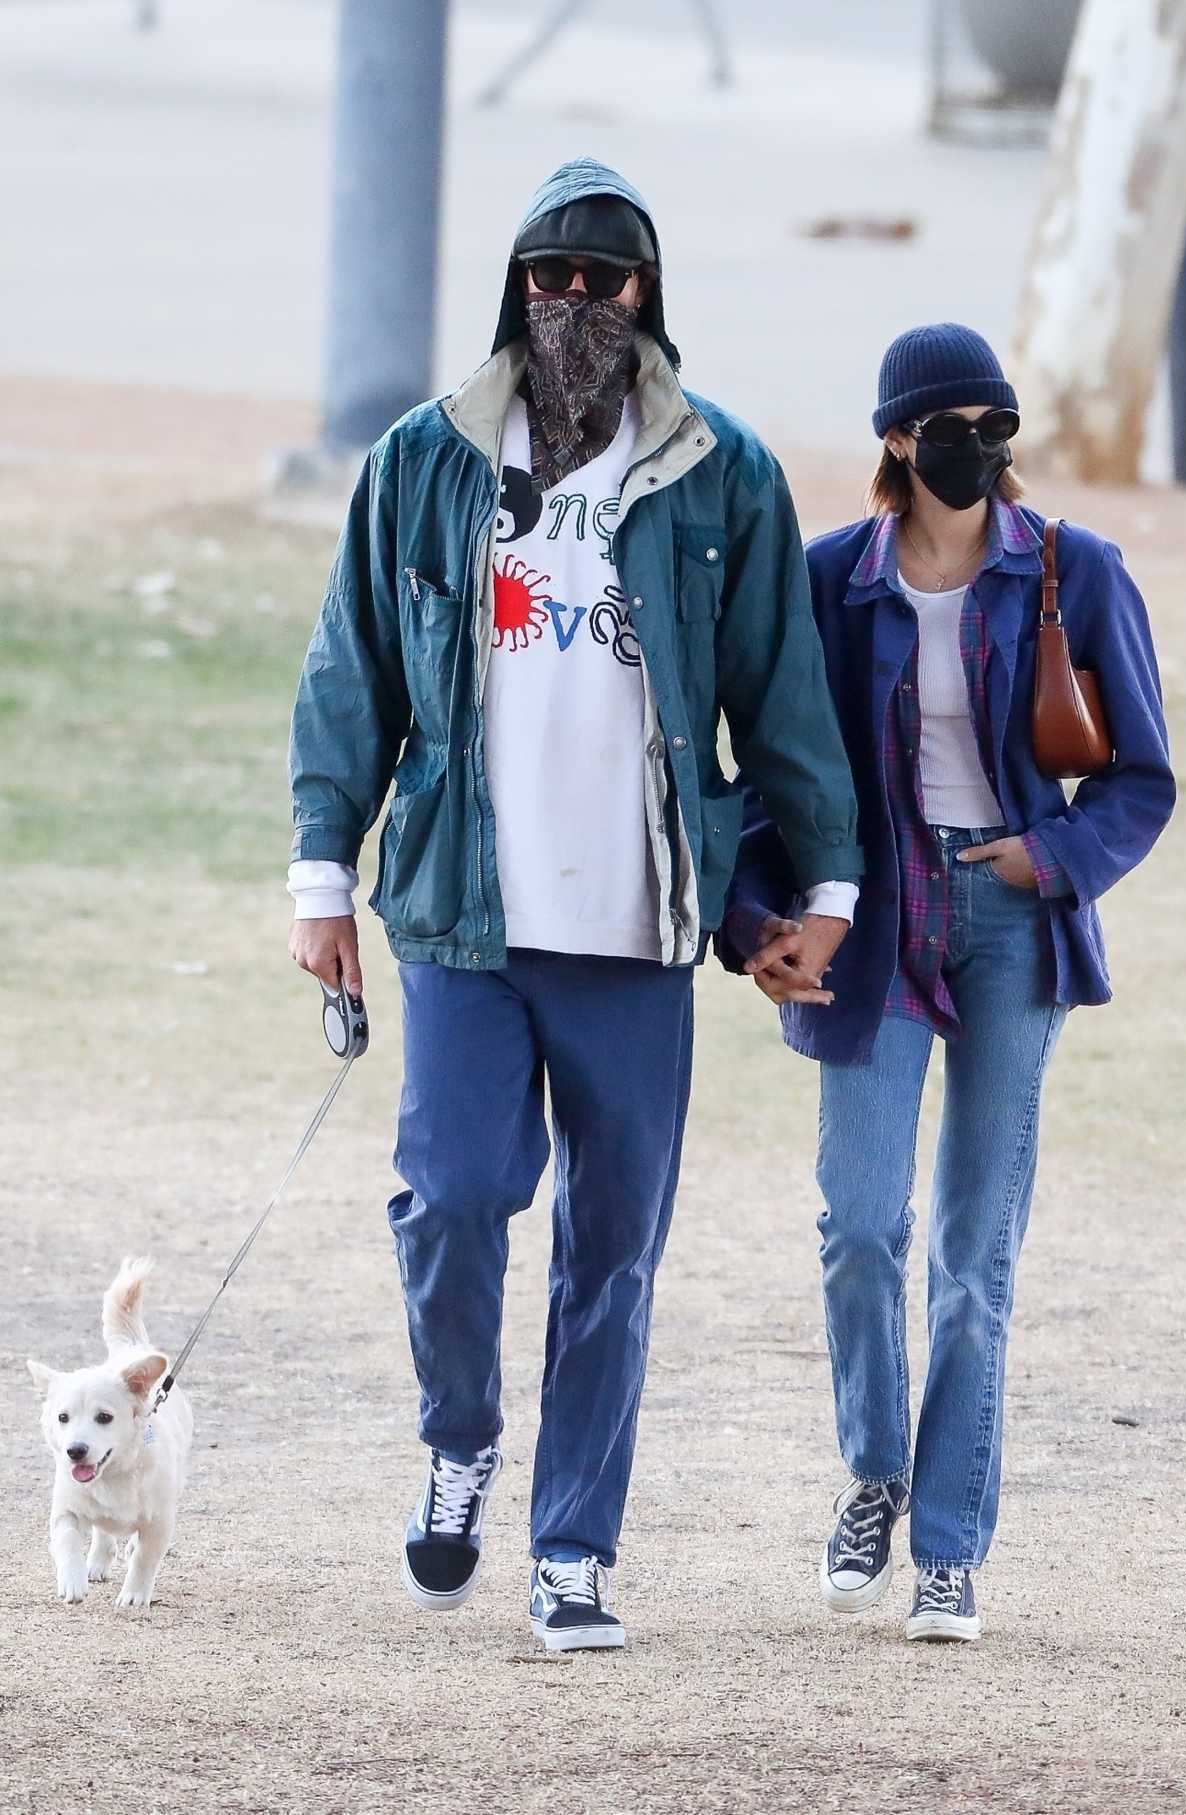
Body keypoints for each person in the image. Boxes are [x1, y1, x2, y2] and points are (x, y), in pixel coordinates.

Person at [286, 158, 863, 1651]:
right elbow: (349, 677)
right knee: (456, 1198)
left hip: (635, 929)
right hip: (464, 921)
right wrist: (319, 878)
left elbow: (778, 697)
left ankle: (572, 1551)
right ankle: (460, 1436)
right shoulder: (424, 459)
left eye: (605, 279)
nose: (577, 305)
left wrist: (829, 887)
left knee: (613, 1251)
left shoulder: (716, 473)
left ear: (647, 295)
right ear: (515, 287)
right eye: (551, 275)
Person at [723, 323, 1175, 1643]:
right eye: (949, 423)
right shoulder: (825, 584)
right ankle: (875, 1471)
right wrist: (757, 921)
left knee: (973, 1253)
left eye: (995, 421)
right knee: (859, 1227)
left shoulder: (1069, 572)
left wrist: (1051, 858)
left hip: (1007, 921)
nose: (976, 446)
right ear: (895, 439)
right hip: (870, 920)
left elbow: (1138, 779)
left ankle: (948, 1548)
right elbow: (770, 778)